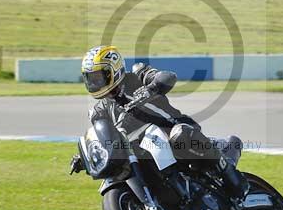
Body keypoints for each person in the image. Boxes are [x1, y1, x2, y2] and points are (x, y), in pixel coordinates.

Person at [77, 45, 249, 201]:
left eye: (98, 77)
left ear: (113, 70)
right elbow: (100, 136)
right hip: (142, 150)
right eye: (90, 78)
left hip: (173, 131)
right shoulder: (98, 111)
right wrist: (84, 156)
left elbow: (167, 77)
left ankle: (231, 177)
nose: (94, 83)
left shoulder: (137, 75)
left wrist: (151, 87)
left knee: (180, 136)